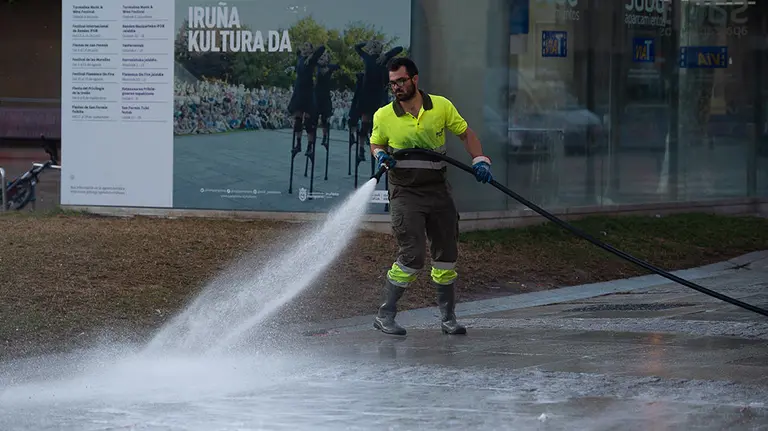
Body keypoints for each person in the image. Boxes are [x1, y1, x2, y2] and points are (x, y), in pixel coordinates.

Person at [368, 57, 493, 336]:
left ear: (415, 79)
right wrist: (380, 155)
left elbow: (465, 134)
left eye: (401, 81)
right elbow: (376, 143)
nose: (397, 88)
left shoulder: (441, 106)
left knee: (447, 255)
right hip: (405, 192)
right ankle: (384, 315)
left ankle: (448, 318)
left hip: (437, 190)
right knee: (412, 255)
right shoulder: (383, 115)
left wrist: (480, 160)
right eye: (392, 84)